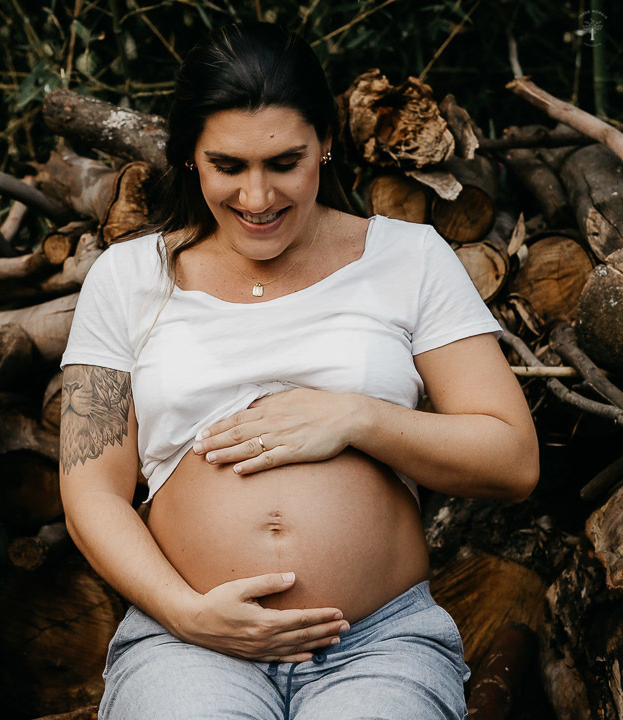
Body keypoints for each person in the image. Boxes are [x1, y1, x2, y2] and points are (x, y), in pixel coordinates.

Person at [57, 20, 539, 720]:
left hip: (377, 642)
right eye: (228, 166)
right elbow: (91, 491)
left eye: (285, 163)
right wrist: (185, 613)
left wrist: (359, 417)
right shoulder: (127, 279)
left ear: (326, 144)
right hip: (187, 642)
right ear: (190, 156)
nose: (257, 199)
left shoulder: (409, 258)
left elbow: (513, 458)